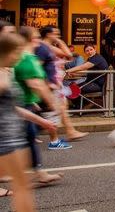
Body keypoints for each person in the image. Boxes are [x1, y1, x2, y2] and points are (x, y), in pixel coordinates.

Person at [1, 32, 56, 212]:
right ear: (6, 52)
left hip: (14, 138)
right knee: (22, 187)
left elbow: (14, 108)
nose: (20, 55)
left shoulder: (7, 73)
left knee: (22, 186)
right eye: (17, 51)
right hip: (5, 140)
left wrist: (41, 120)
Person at [14, 27, 64, 184]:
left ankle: (37, 172)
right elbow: (36, 84)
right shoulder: (27, 59)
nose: (38, 40)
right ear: (30, 39)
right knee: (21, 139)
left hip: (26, 102)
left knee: (28, 137)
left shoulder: (26, 57)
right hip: (20, 104)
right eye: (36, 37)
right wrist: (52, 104)